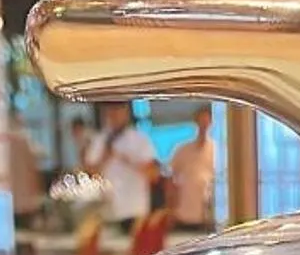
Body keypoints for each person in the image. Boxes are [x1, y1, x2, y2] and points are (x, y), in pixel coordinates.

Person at [83, 101, 160, 236]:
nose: (114, 115)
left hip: (134, 210)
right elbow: (89, 173)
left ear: (126, 113)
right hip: (108, 210)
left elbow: (153, 174)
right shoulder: (99, 140)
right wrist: (105, 157)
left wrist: (127, 159)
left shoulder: (140, 140)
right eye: (111, 111)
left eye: (118, 111)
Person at [168, 105, 217, 234]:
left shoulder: (217, 150)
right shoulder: (182, 150)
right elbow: (170, 178)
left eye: (206, 122)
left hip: (209, 213)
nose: (203, 125)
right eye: (201, 121)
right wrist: (171, 209)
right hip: (185, 212)